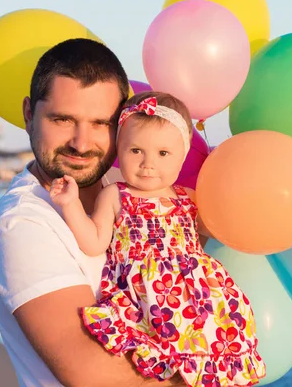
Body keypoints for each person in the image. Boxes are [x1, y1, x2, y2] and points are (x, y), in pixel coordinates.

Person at [0, 38, 187, 387]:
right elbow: (99, 377)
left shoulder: (131, 188)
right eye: (63, 119)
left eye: (99, 124)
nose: (81, 142)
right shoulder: (23, 224)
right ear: (29, 114)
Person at [49, 91, 266, 387]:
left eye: (163, 154)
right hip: (146, 300)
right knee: (156, 366)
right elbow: (95, 241)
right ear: (119, 150)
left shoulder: (188, 198)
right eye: (135, 150)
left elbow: (218, 231)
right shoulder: (115, 195)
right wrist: (71, 204)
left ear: (182, 156)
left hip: (200, 300)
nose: (147, 164)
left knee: (212, 353)